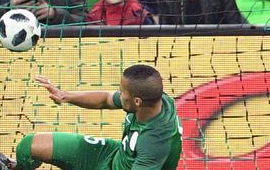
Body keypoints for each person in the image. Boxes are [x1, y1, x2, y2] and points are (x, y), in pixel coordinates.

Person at [15, 64, 182, 170]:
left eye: (122, 92)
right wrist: (64, 96)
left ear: (136, 101)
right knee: (29, 146)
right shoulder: (154, 99)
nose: (119, 94)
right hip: (112, 154)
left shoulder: (154, 144)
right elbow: (105, 99)